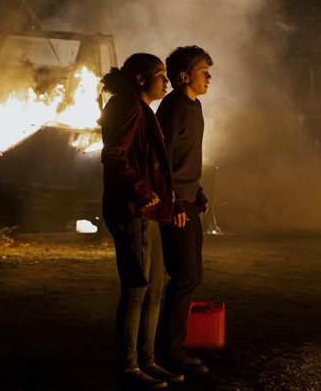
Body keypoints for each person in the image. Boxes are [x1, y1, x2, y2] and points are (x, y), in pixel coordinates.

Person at [100, 53, 187, 389]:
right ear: (140, 79)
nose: (166, 82)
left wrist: (167, 199)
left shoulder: (139, 108)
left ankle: (147, 361)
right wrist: (139, 190)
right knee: (137, 289)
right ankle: (129, 368)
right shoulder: (128, 107)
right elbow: (114, 155)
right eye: (160, 75)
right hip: (132, 210)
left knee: (155, 288)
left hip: (147, 211)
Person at [155, 45, 214, 376]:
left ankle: (172, 347)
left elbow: (185, 159)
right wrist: (173, 199)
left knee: (192, 276)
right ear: (183, 76)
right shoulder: (173, 107)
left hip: (189, 200)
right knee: (184, 276)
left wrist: (198, 191)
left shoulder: (195, 107)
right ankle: (170, 351)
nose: (209, 77)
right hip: (176, 205)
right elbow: (162, 158)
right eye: (203, 70)